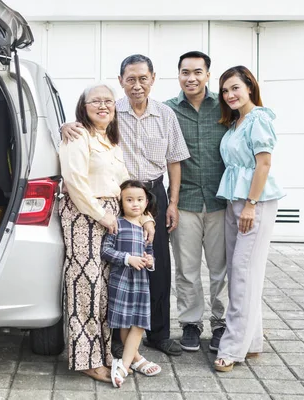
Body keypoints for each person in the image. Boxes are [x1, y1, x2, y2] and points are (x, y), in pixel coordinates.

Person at [62, 54, 190, 357]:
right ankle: (118, 337)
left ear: (153, 79)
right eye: (130, 79)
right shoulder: (109, 109)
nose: (136, 85)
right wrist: (64, 126)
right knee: (118, 268)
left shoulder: (166, 114)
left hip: (153, 194)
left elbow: (174, 161)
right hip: (120, 195)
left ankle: (158, 333)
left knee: (156, 265)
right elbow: (82, 128)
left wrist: (172, 202)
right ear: (121, 81)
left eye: (143, 79)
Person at [58, 83, 154, 382]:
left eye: (108, 101)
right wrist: (103, 215)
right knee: (85, 286)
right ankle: (87, 359)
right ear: (83, 108)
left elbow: (125, 182)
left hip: (113, 215)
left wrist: (145, 216)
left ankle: (112, 353)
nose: (103, 106)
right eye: (95, 101)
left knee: (106, 288)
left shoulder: (109, 140)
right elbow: (74, 182)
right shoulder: (77, 135)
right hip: (86, 216)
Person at [213, 66, 285, 371]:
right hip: (234, 201)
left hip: (254, 203)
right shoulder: (236, 122)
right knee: (241, 272)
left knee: (242, 273)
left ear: (249, 87)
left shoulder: (258, 119)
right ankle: (252, 340)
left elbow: (264, 164)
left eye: (235, 88)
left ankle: (232, 348)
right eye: (225, 91)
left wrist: (251, 205)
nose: (230, 95)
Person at [165, 51, 228, 352]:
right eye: (185, 72)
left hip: (221, 201)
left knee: (221, 268)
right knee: (186, 268)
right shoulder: (167, 110)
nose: (191, 78)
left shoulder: (226, 107)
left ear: (207, 75)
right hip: (185, 201)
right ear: (178, 75)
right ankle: (190, 324)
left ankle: (221, 323)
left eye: (197, 72)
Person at [101, 180, 162, 388]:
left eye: (139, 200)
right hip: (122, 280)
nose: (135, 204)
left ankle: (124, 367)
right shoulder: (118, 224)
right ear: (121, 201)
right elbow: (106, 250)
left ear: (146, 202)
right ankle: (132, 362)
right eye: (129, 200)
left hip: (141, 281)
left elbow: (150, 252)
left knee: (139, 322)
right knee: (125, 322)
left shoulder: (146, 230)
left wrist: (149, 261)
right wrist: (128, 258)